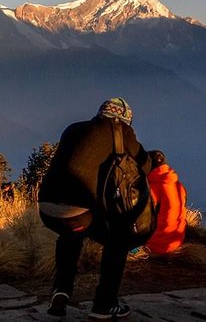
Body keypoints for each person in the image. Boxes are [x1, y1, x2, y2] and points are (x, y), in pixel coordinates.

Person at [38, 97, 151, 320]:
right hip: (81, 212)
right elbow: (142, 165)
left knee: (70, 233)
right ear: (123, 119)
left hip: (47, 208)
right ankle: (105, 304)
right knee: (118, 239)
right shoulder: (121, 132)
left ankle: (61, 290)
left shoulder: (73, 129)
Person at [145, 150, 187, 255]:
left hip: (157, 245)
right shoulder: (179, 186)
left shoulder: (153, 187)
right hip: (177, 241)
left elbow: (142, 216)